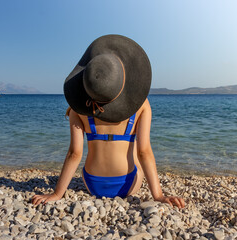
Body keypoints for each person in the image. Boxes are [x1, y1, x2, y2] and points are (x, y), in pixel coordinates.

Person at [32, 35, 185, 208]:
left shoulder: (77, 110)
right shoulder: (142, 105)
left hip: (92, 184)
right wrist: (158, 195)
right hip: (129, 184)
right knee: (134, 149)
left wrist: (57, 193)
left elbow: (74, 154)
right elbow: (144, 152)